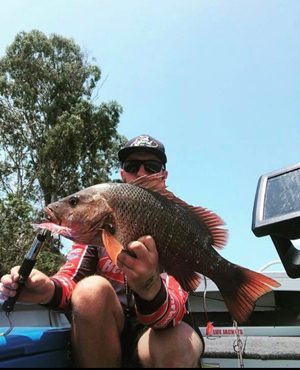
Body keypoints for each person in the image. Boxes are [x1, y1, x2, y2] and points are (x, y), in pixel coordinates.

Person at [0, 134, 204, 368]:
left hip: (158, 332)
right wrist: (45, 289)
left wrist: (149, 287)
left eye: (152, 166)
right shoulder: (94, 230)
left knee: (176, 347)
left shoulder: (174, 222)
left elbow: (170, 315)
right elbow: (70, 281)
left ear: (163, 175)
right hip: (108, 332)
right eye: (131, 166)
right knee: (90, 290)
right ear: (122, 173)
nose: (140, 173)